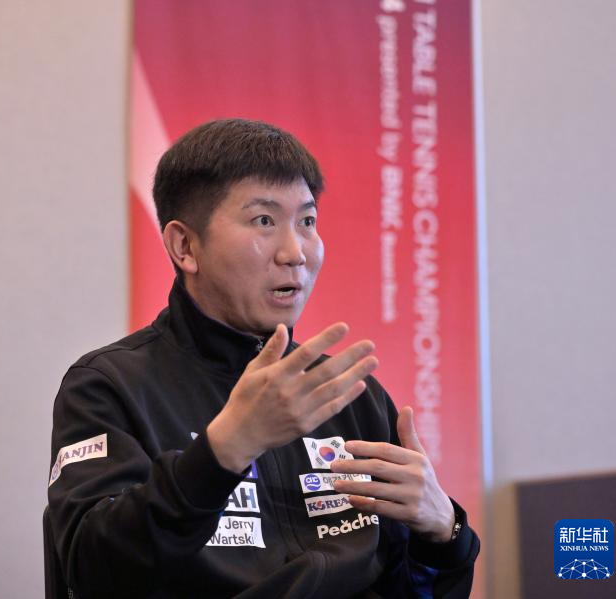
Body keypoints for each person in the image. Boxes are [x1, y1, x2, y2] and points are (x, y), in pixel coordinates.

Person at [48, 119, 479, 598]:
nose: (295, 253)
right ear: (185, 246)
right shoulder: (108, 386)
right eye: (264, 221)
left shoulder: (351, 396)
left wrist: (445, 534)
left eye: (307, 222)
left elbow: (411, 588)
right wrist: (225, 450)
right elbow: (92, 570)